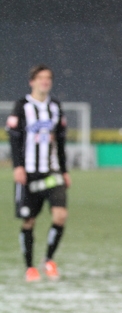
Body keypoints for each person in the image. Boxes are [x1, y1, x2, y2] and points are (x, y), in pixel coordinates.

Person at [7, 65, 71, 282]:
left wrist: (65, 170)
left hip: (52, 173)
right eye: (40, 78)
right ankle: (29, 267)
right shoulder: (21, 106)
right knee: (29, 221)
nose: (45, 82)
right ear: (31, 81)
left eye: (48, 78)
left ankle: (49, 260)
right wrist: (17, 166)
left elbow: (60, 142)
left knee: (60, 216)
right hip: (29, 173)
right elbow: (14, 140)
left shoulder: (55, 107)